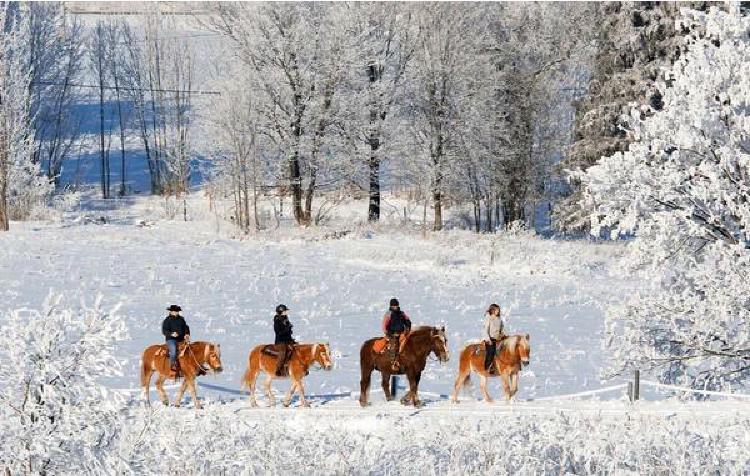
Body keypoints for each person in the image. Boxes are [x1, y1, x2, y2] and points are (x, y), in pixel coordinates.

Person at [382, 298, 411, 371]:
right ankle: (393, 363)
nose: (396, 307)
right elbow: (384, 324)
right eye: (394, 306)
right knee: (394, 346)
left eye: (396, 305)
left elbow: (407, 320)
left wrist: (408, 326)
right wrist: (388, 333)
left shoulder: (401, 313)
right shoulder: (389, 314)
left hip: (402, 333)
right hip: (392, 333)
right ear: (391, 306)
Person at [162, 305, 191, 372]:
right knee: (173, 350)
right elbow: (164, 331)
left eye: (178, 311)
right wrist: (172, 334)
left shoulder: (181, 319)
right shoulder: (167, 320)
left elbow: (186, 327)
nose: (177, 312)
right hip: (171, 339)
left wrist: (187, 334)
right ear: (171, 312)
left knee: (190, 350)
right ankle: (173, 365)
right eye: (175, 311)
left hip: (181, 339)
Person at [273, 304, 296, 377]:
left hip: (288, 340)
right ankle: (278, 369)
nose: (286, 312)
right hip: (280, 341)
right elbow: (278, 333)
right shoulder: (277, 321)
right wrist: (287, 329)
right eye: (285, 311)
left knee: (297, 348)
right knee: (283, 352)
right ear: (280, 312)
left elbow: (287, 330)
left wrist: (289, 330)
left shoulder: (285, 319)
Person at [483, 303, 506, 372]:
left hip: (498, 338)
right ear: (492, 310)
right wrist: (488, 339)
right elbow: (485, 330)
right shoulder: (489, 318)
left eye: (499, 310)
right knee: (491, 352)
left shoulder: (499, 319)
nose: (498, 311)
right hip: (490, 339)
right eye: (497, 310)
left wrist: (503, 334)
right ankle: (487, 367)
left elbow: (501, 328)